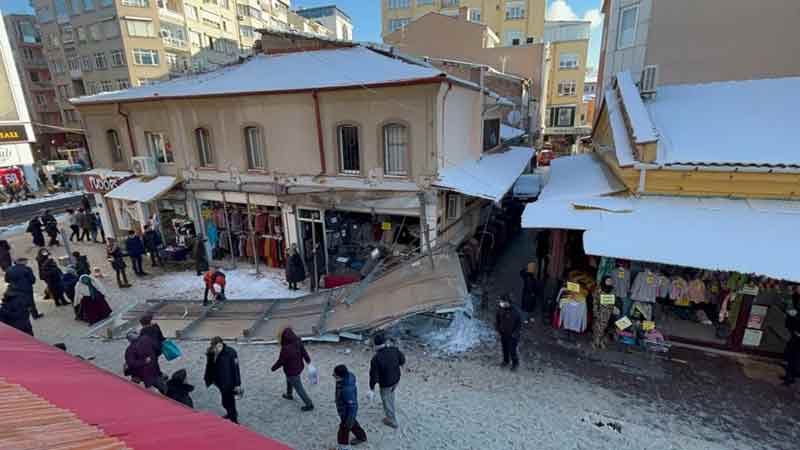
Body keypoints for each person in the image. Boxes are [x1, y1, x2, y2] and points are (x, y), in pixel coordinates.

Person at [271, 327, 314, 412]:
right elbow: (304, 352)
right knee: (289, 380)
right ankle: (289, 394)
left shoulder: (285, 349)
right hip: (299, 367)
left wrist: (273, 368)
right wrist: (308, 361)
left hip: (291, 371)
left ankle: (309, 404)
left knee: (299, 388)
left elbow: (281, 361)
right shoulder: (298, 341)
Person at [368, 334, 405, 429]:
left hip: (385, 383)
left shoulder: (376, 359)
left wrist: (371, 389)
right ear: (385, 342)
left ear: (375, 345)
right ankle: (391, 409)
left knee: (386, 400)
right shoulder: (394, 350)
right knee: (391, 395)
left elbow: (373, 376)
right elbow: (402, 360)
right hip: (396, 379)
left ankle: (392, 421)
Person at [204, 336, 242, 423]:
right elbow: (209, 366)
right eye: (216, 347)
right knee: (225, 402)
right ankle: (230, 413)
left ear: (222, 344)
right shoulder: (211, 353)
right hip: (219, 382)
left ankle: (234, 419)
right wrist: (208, 378)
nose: (218, 349)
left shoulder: (231, 352)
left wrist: (237, 384)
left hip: (229, 382)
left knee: (229, 402)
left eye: (219, 346)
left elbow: (236, 369)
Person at [334, 364, 367, 448]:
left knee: (344, 429)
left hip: (346, 412)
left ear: (340, 376)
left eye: (335, 374)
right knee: (353, 424)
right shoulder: (349, 376)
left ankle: (343, 446)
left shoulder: (346, 390)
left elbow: (352, 407)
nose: (333, 375)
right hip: (345, 410)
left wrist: (349, 420)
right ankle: (362, 437)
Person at [495, 296, 522, 371]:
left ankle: (515, 363)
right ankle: (506, 361)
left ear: (508, 302)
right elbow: (497, 319)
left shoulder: (516, 312)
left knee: (512, 350)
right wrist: (498, 328)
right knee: (504, 348)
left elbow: (519, 324)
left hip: (513, 335)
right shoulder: (500, 309)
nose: (502, 303)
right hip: (503, 333)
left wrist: (515, 334)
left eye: (503, 302)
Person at [592, 276, 616, 349]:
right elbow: (595, 301)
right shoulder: (599, 289)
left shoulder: (612, 290)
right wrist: (595, 311)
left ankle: (600, 341)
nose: (609, 282)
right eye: (607, 280)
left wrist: (613, 310)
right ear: (604, 281)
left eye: (610, 281)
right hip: (600, 311)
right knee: (598, 327)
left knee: (605, 327)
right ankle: (596, 341)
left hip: (608, 312)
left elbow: (613, 301)